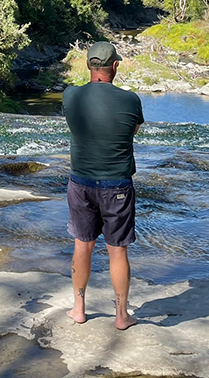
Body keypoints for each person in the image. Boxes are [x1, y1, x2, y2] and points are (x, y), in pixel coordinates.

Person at [62, 41, 144, 330]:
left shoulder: (71, 96)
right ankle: (122, 316)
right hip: (117, 186)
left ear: (88, 65)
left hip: (80, 182)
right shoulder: (131, 100)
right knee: (118, 250)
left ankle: (78, 308)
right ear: (115, 66)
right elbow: (132, 130)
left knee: (82, 246)